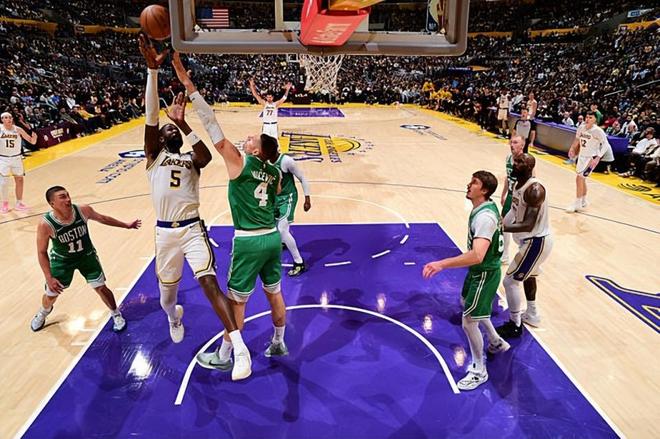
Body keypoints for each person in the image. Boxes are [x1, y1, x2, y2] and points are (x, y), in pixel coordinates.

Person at [139, 36, 252, 381]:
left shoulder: (191, 159)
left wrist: (183, 122)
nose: (169, 129)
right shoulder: (154, 157)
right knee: (166, 298)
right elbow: (151, 117)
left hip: (192, 229)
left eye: (172, 128)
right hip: (165, 234)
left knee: (210, 283)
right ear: (159, 139)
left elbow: (205, 154)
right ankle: (174, 316)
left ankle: (240, 348)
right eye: (167, 129)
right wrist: (152, 72)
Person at [171, 53, 289, 370]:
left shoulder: (241, 161)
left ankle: (225, 355)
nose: (247, 138)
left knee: (237, 301)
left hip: (249, 241)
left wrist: (189, 85)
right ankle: (278, 342)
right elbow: (277, 192)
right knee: (274, 293)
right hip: (271, 238)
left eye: (251, 139)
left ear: (256, 150)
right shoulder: (274, 172)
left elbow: (211, 124)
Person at [423, 171, 510, 391]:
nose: (468, 185)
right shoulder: (486, 207)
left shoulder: (484, 218)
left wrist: (442, 264)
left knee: (469, 322)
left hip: (484, 273)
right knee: (466, 303)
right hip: (479, 271)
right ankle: (495, 341)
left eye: (474, 183)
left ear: (485, 190)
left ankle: (479, 370)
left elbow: (477, 255)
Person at [30, 186, 141, 332]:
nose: (68, 199)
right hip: (62, 261)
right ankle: (43, 312)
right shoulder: (46, 224)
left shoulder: (82, 210)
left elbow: (103, 218)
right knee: (51, 295)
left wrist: (126, 225)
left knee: (100, 287)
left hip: (86, 256)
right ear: (52, 204)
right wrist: (48, 277)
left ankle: (116, 314)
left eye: (68, 195)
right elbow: (41, 252)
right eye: (62, 197)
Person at [497, 154, 553, 337]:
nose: (516, 164)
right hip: (529, 241)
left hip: (536, 241)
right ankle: (532, 314)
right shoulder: (517, 184)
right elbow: (513, 212)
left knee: (510, 281)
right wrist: (501, 223)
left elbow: (528, 224)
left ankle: (515, 324)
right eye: (516, 161)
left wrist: (500, 227)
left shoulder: (534, 190)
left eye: (521, 162)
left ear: (530, 168)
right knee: (529, 276)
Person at [271, 150, 312, 276]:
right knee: (273, 225)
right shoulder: (263, 160)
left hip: (287, 198)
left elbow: (302, 177)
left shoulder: (286, 161)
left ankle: (299, 262)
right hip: (274, 198)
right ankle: (283, 243)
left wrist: (307, 198)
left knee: (282, 229)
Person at [566, 111, 611, 213]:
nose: (587, 119)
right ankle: (583, 200)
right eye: (586, 117)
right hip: (582, 156)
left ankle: (577, 203)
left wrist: (598, 158)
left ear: (595, 120)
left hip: (591, 158)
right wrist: (572, 148)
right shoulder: (581, 127)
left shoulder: (598, 131)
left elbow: (605, 144)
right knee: (582, 179)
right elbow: (577, 139)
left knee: (579, 178)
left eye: (590, 117)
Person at [0, 111, 37, 213]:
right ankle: (5, 204)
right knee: (4, 182)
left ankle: (19, 203)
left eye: (10, 117)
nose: (8, 119)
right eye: (6, 117)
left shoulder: (18, 129)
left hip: (16, 158)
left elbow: (32, 141)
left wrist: (34, 138)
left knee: (20, 180)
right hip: (3, 159)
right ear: (2, 120)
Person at [500, 135, 525, 264]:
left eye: (515, 143)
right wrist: (503, 194)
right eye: (511, 142)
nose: (512, 145)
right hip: (510, 195)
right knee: (504, 225)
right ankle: (505, 255)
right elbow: (507, 177)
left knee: (518, 229)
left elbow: (532, 182)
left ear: (522, 145)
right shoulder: (508, 158)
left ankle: (525, 253)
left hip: (520, 198)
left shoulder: (526, 161)